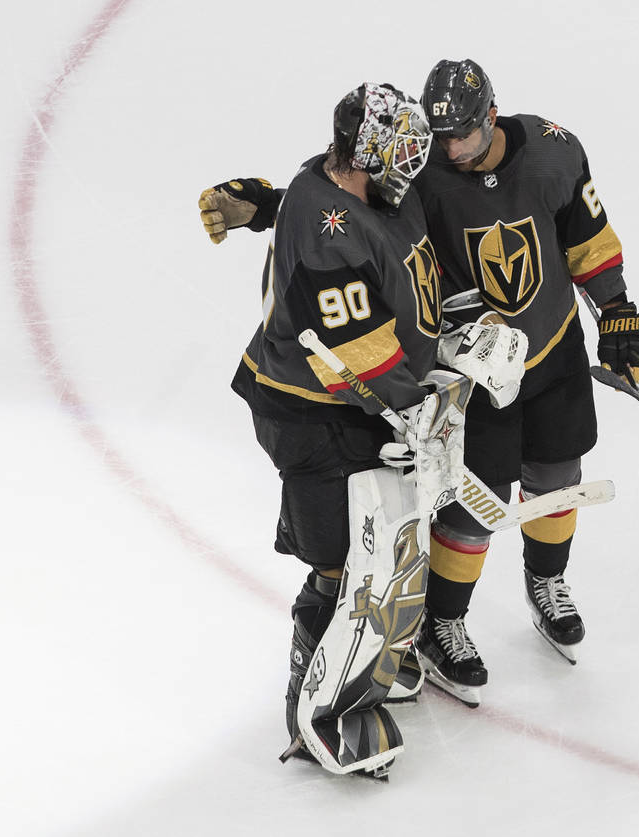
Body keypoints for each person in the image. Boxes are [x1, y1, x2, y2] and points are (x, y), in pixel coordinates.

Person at [198, 60, 639, 708]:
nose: (438, 153)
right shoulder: (416, 177)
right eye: (429, 141)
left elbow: (587, 239)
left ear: (489, 117)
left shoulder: (543, 154)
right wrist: (273, 205)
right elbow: (342, 216)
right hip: (429, 377)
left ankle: (542, 584)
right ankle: (433, 628)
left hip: (534, 353)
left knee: (556, 471)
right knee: (456, 504)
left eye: (454, 137)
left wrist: (617, 310)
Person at [213, 81, 468, 778]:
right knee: (341, 556)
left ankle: (370, 660)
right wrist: (418, 410)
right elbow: (362, 352)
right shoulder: (331, 234)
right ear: (360, 158)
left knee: (388, 541)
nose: (408, 178)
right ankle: (313, 703)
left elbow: (309, 189)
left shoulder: (367, 182)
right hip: (312, 414)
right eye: (396, 164)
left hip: (368, 404)